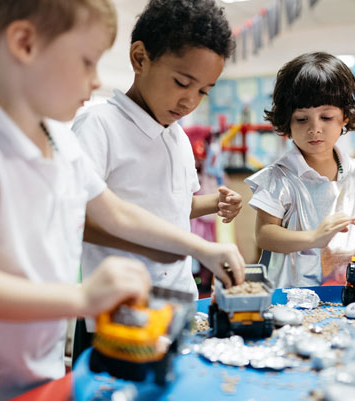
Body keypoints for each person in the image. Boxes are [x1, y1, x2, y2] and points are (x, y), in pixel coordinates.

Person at [0, 1, 244, 400]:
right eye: (86, 62)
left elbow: (116, 213)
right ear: (24, 44)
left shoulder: (59, 145)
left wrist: (201, 247)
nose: (95, 82)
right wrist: (82, 298)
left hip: (41, 368)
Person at [73, 0, 241, 302]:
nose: (190, 101)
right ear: (140, 58)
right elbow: (75, 218)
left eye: (203, 91)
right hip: (116, 308)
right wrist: (158, 246)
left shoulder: (177, 137)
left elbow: (173, 208)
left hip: (179, 300)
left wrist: (213, 203)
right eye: (182, 83)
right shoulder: (99, 125)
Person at [245, 52, 355, 289]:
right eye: (301, 119)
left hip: (346, 287)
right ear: (287, 121)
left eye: (326, 117)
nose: (315, 129)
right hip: (291, 292)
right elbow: (264, 234)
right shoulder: (279, 177)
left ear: (345, 117)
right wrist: (313, 238)